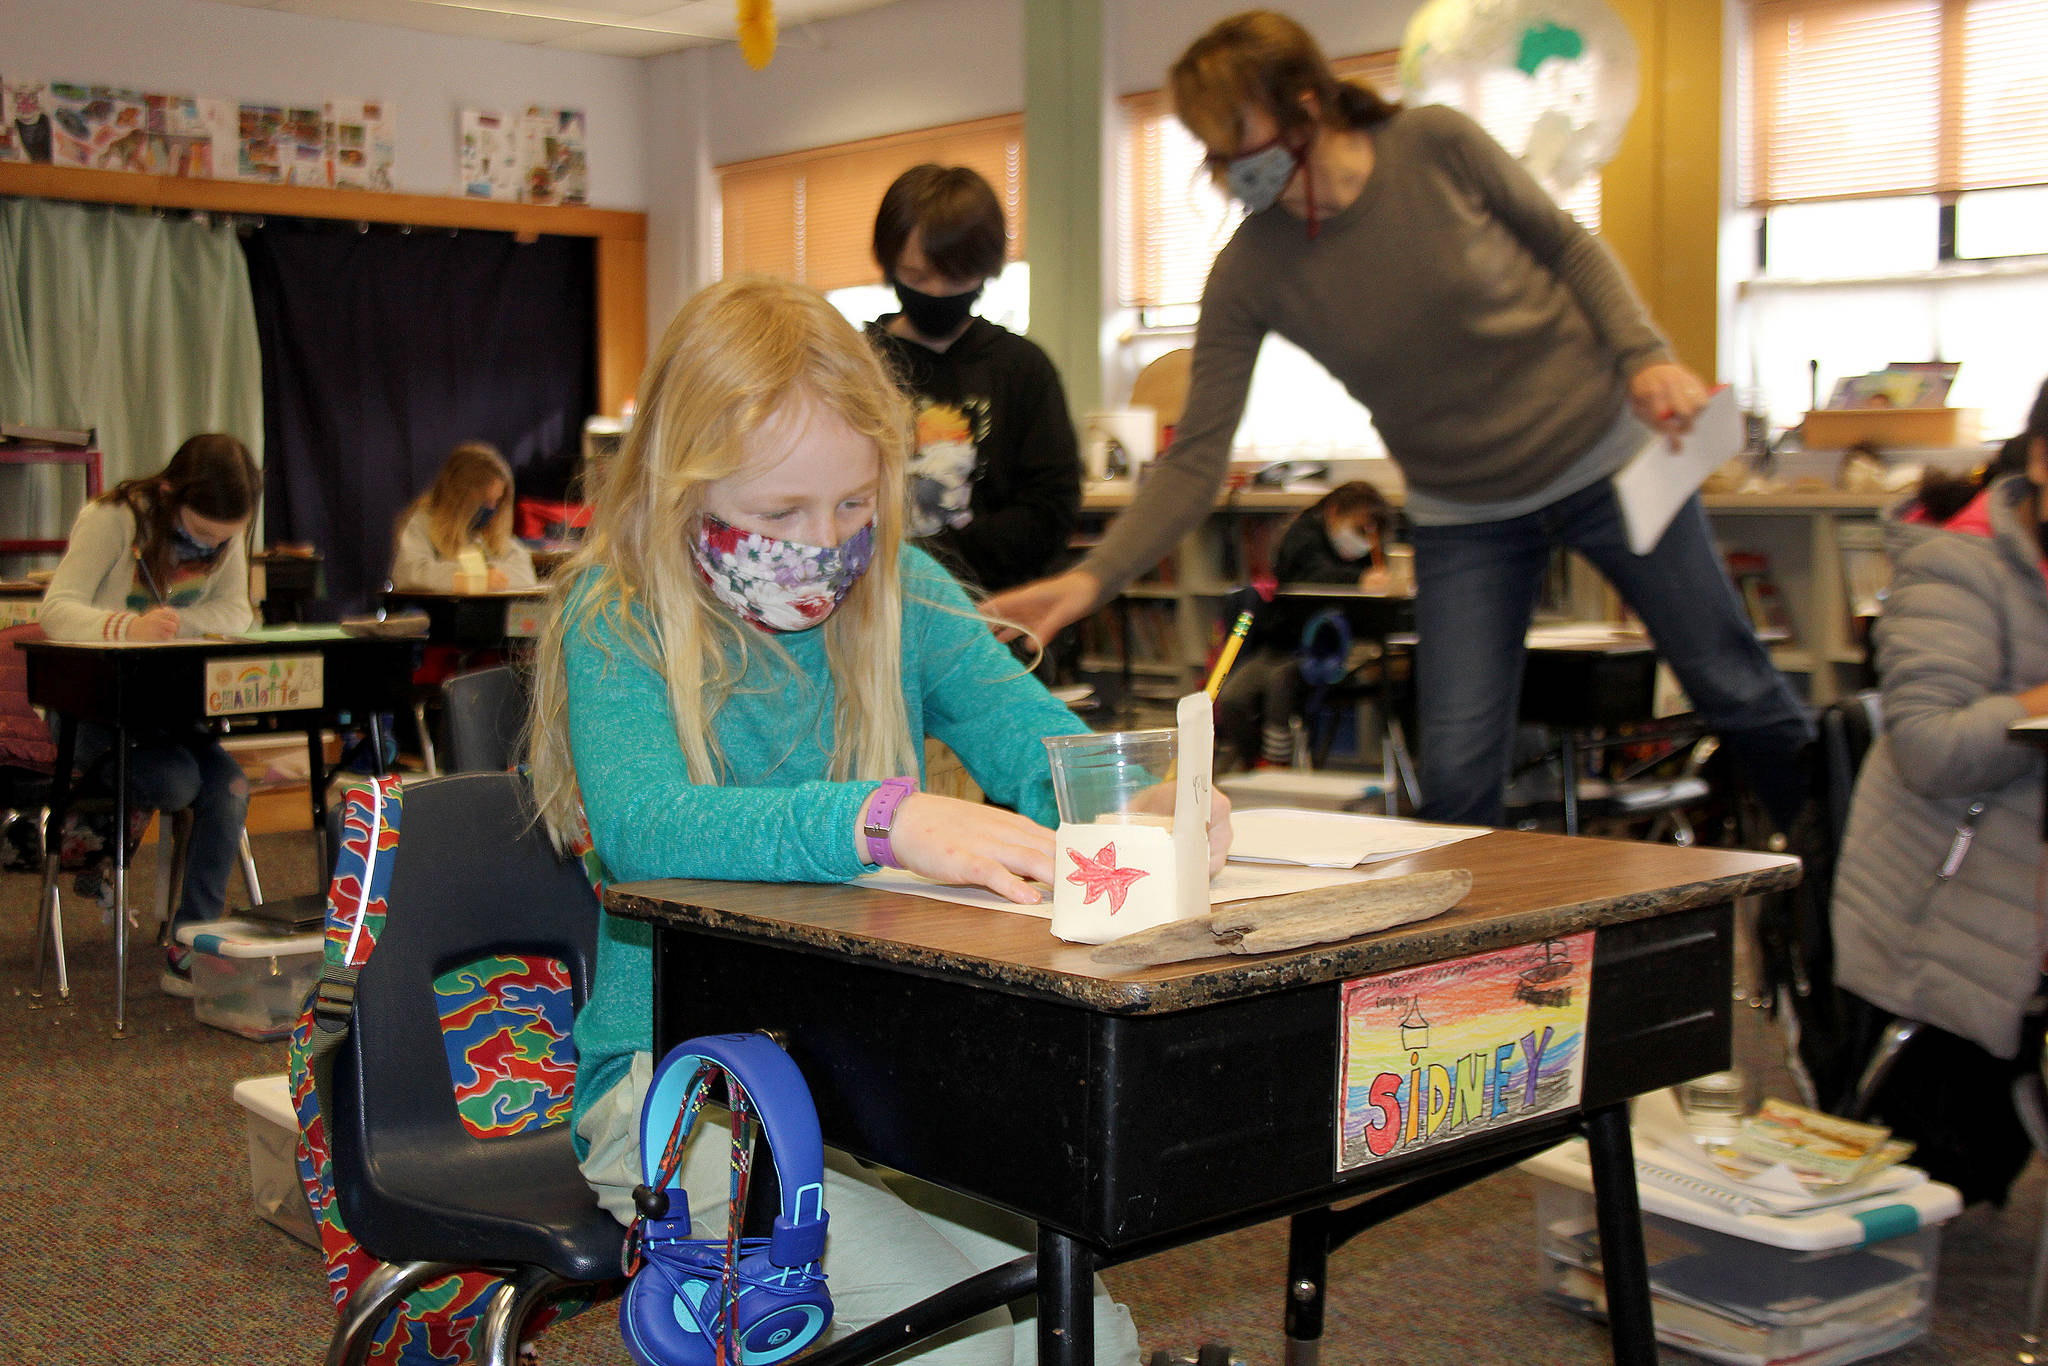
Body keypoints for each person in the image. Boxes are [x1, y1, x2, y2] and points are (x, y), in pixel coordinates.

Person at [527, 276, 1230, 1363]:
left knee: (1077, 1334)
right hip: (684, 1089)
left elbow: (1036, 745)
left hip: (876, 1079)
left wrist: (1141, 805)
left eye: (855, 504)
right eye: (778, 514)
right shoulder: (617, 613)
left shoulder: (903, 588)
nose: (826, 543)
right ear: (681, 486)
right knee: (966, 1345)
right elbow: (645, 829)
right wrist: (880, 820)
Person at [983, 10, 1813, 830]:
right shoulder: (1251, 269)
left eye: (1241, 136)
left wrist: (1646, 356)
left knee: (1735, 687)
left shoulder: (1436, 145)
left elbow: (1567, 246)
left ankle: (1834, 905)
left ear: (1307, 101)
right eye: (1213, 148)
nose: (1232, 166)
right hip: (1468, 514)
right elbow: (1197, 459)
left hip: (1607, 459)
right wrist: (1092, 580)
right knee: (1455, 780)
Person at [1826, 378, 2048, 1206]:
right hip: (1952, 910)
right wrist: (2033, 708)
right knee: (1937, 1181)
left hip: (2013, 902)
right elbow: (1926, 750)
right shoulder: (1956, 566)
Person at [39, 432, 261, 995]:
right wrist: (127, 628)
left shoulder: (225, 532)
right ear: (168, 493)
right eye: (202, 532)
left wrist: (174, 623)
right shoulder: (112, 518)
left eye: (225, 538)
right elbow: (57, 611)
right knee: (180, 780)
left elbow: (237, 611)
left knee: (230, 787)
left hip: (166, 715)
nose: (212, 546)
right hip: (91, 714)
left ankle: (193, 945)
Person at [866, 164, 1083, 593]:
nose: (939, 293)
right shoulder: (855, 366)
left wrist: (936, 564)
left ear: (986, 269)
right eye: (917, 277)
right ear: (890, 265)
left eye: (958, 278)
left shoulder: (1023, 368)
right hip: (880, 609)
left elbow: (1050, 510)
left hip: (998, 609)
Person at [1215, 480, 1391, 769]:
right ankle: (1253, 763)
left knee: (1281, 685)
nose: (1363, 541)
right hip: (1281, 643)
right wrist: (1358, 581)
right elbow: (1310, 573)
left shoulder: (1369, 553)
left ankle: (1276, 763)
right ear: (1333, 512)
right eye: (1358, 530)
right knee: (1233, 697)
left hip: (1329, 653)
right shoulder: (1301, 536)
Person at [389, 440, 537, 593]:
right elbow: (409, 574)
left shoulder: (492, 534)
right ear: (459, 497)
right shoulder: (423, 524)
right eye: (485, 501)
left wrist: (486, 576)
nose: (492, 509)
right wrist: (474, 579)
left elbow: (525, 576)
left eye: (498, 501)